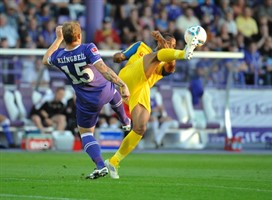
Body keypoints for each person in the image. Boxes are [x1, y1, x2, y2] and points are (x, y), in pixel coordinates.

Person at [104, 26, 202, 179]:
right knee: (156, 56)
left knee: (140, 128)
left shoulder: (167, 63)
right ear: (160, 41)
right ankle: (185, 52)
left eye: (174, 46)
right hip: (128, 77)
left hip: (141, 90)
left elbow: (170, 67)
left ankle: (114, 161)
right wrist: (118, 56)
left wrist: (164, 43)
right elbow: (120, 57)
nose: (170, 46)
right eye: (169, 43)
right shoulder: (141, 46)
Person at [42, 21, 131, 179]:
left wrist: (57, 39)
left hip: (86, 100)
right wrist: (122, 84)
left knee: (86, 134)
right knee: (112, 88)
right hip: (104, 90)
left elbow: (45, 59)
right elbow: (103, 69)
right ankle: (125, 122)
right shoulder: (88, 48)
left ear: (65, 38)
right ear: (79, 35)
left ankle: (100, 165)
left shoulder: (59, 55)